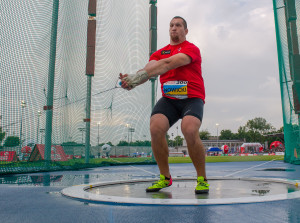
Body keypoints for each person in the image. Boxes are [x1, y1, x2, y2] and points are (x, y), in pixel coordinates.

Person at [119, 16, 209, 194]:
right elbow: (150, 69)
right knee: (155, 127)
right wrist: (132, 81)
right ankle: (165, 178)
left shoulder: (191, 49)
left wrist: (140, 76)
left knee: (189, 129)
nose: (174, 28)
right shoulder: (159, 53)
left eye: (178, 25)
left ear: (186, 30)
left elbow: (168, 64)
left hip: (192, 98)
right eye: (171, 25)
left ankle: (202, 179)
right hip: (170, 99)